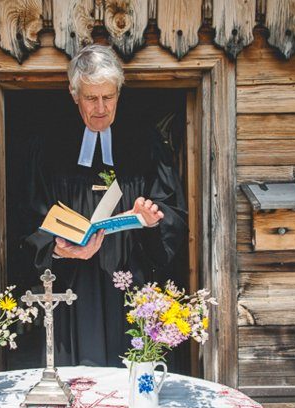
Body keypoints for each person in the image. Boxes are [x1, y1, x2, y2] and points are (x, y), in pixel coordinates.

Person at [21, 44, 187, 367]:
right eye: (90, 98)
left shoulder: (145, 143)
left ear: (119, 94)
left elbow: (173, 214)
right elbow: (27, 219)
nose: (100, 108)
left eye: (108, 97)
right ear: (74, 95)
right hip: (70, 293)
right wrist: (56, 249)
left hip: (128, 288)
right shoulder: (48, 147)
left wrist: (152, 219)